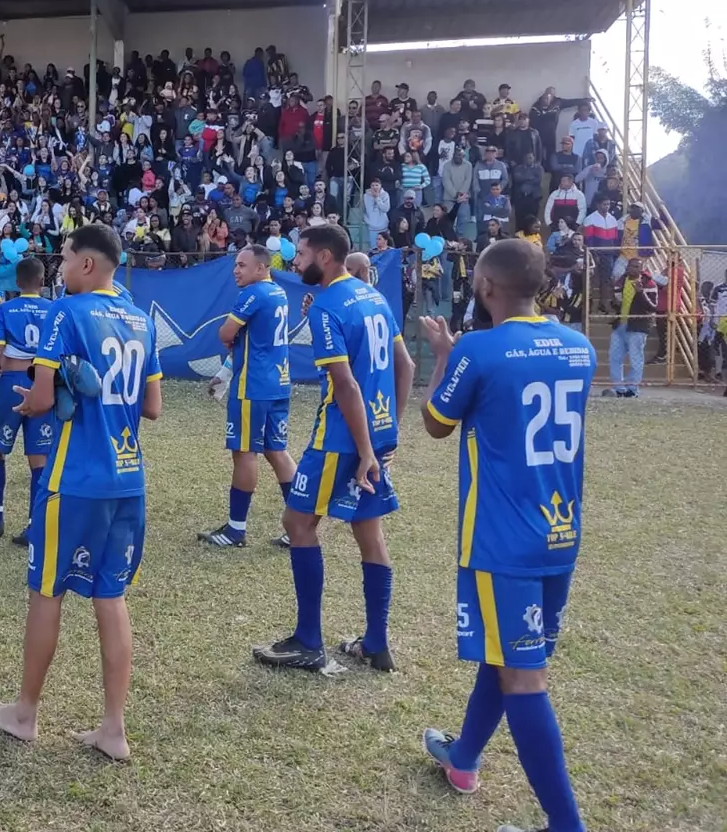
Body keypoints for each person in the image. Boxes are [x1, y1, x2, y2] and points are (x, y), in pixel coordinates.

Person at [418, 238, 595, 832]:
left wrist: (445, 355)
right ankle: (463, 758)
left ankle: (565, 825)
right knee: (509, 652)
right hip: (559, 533)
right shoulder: (579, 348)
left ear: (486, 288)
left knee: (523, 673)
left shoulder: (479, 349)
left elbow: (438, 422)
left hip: (503, 540)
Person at [0, 224, 162, 761]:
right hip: (128, 477)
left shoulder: (68, 311)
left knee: (47, 591)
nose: (60, 267)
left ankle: (25, 714)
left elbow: (40, 399)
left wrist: (42, 398)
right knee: (111, 595)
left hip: (75, 478)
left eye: (64, 257)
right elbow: (152, 408)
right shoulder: (138, 318)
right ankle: (113, 728)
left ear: (86, 264)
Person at [253, 223, 414, 674]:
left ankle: (308, 640)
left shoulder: (328, 306)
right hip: (374, 434)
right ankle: (377, 643)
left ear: (324, 257)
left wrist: (363, 449)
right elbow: (406, 364)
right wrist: (387, 434)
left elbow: (343, 383)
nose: (295, 261)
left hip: (340, 439)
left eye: (301, 253)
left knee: (298, 522)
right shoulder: (374, 297)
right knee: (368, 531)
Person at [199, 244, 296, 548]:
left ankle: (235, 530)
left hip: (253, 385)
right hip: (278, 382)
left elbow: (226, 333)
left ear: (261, 268)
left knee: (244, 453)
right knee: (277, 451)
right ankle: (300, 526)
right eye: (236, 264)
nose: (236, 270)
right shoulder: (279, 293)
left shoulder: (254, 294)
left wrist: (233, 339)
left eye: (242, 265)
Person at [0, 256, 54, 542]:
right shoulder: (55, 310)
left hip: (10, 384)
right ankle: (34, 524)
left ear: (17, 283)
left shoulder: (5, 309)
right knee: (39, 458)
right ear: (42, 282)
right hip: (43, 384)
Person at [605, 256, 655, 398]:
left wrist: (641, 293)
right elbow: (618, 302)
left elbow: (652, 307)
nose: (632, 269)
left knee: (635, 358)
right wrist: (613, 302)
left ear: (641, 269)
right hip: (621, 324)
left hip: (638, 326)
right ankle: (619, 388)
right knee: (614, 357)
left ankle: (632, 389)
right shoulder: (621, 282)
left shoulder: (649, 284)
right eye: (630, 266)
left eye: (636, 267)